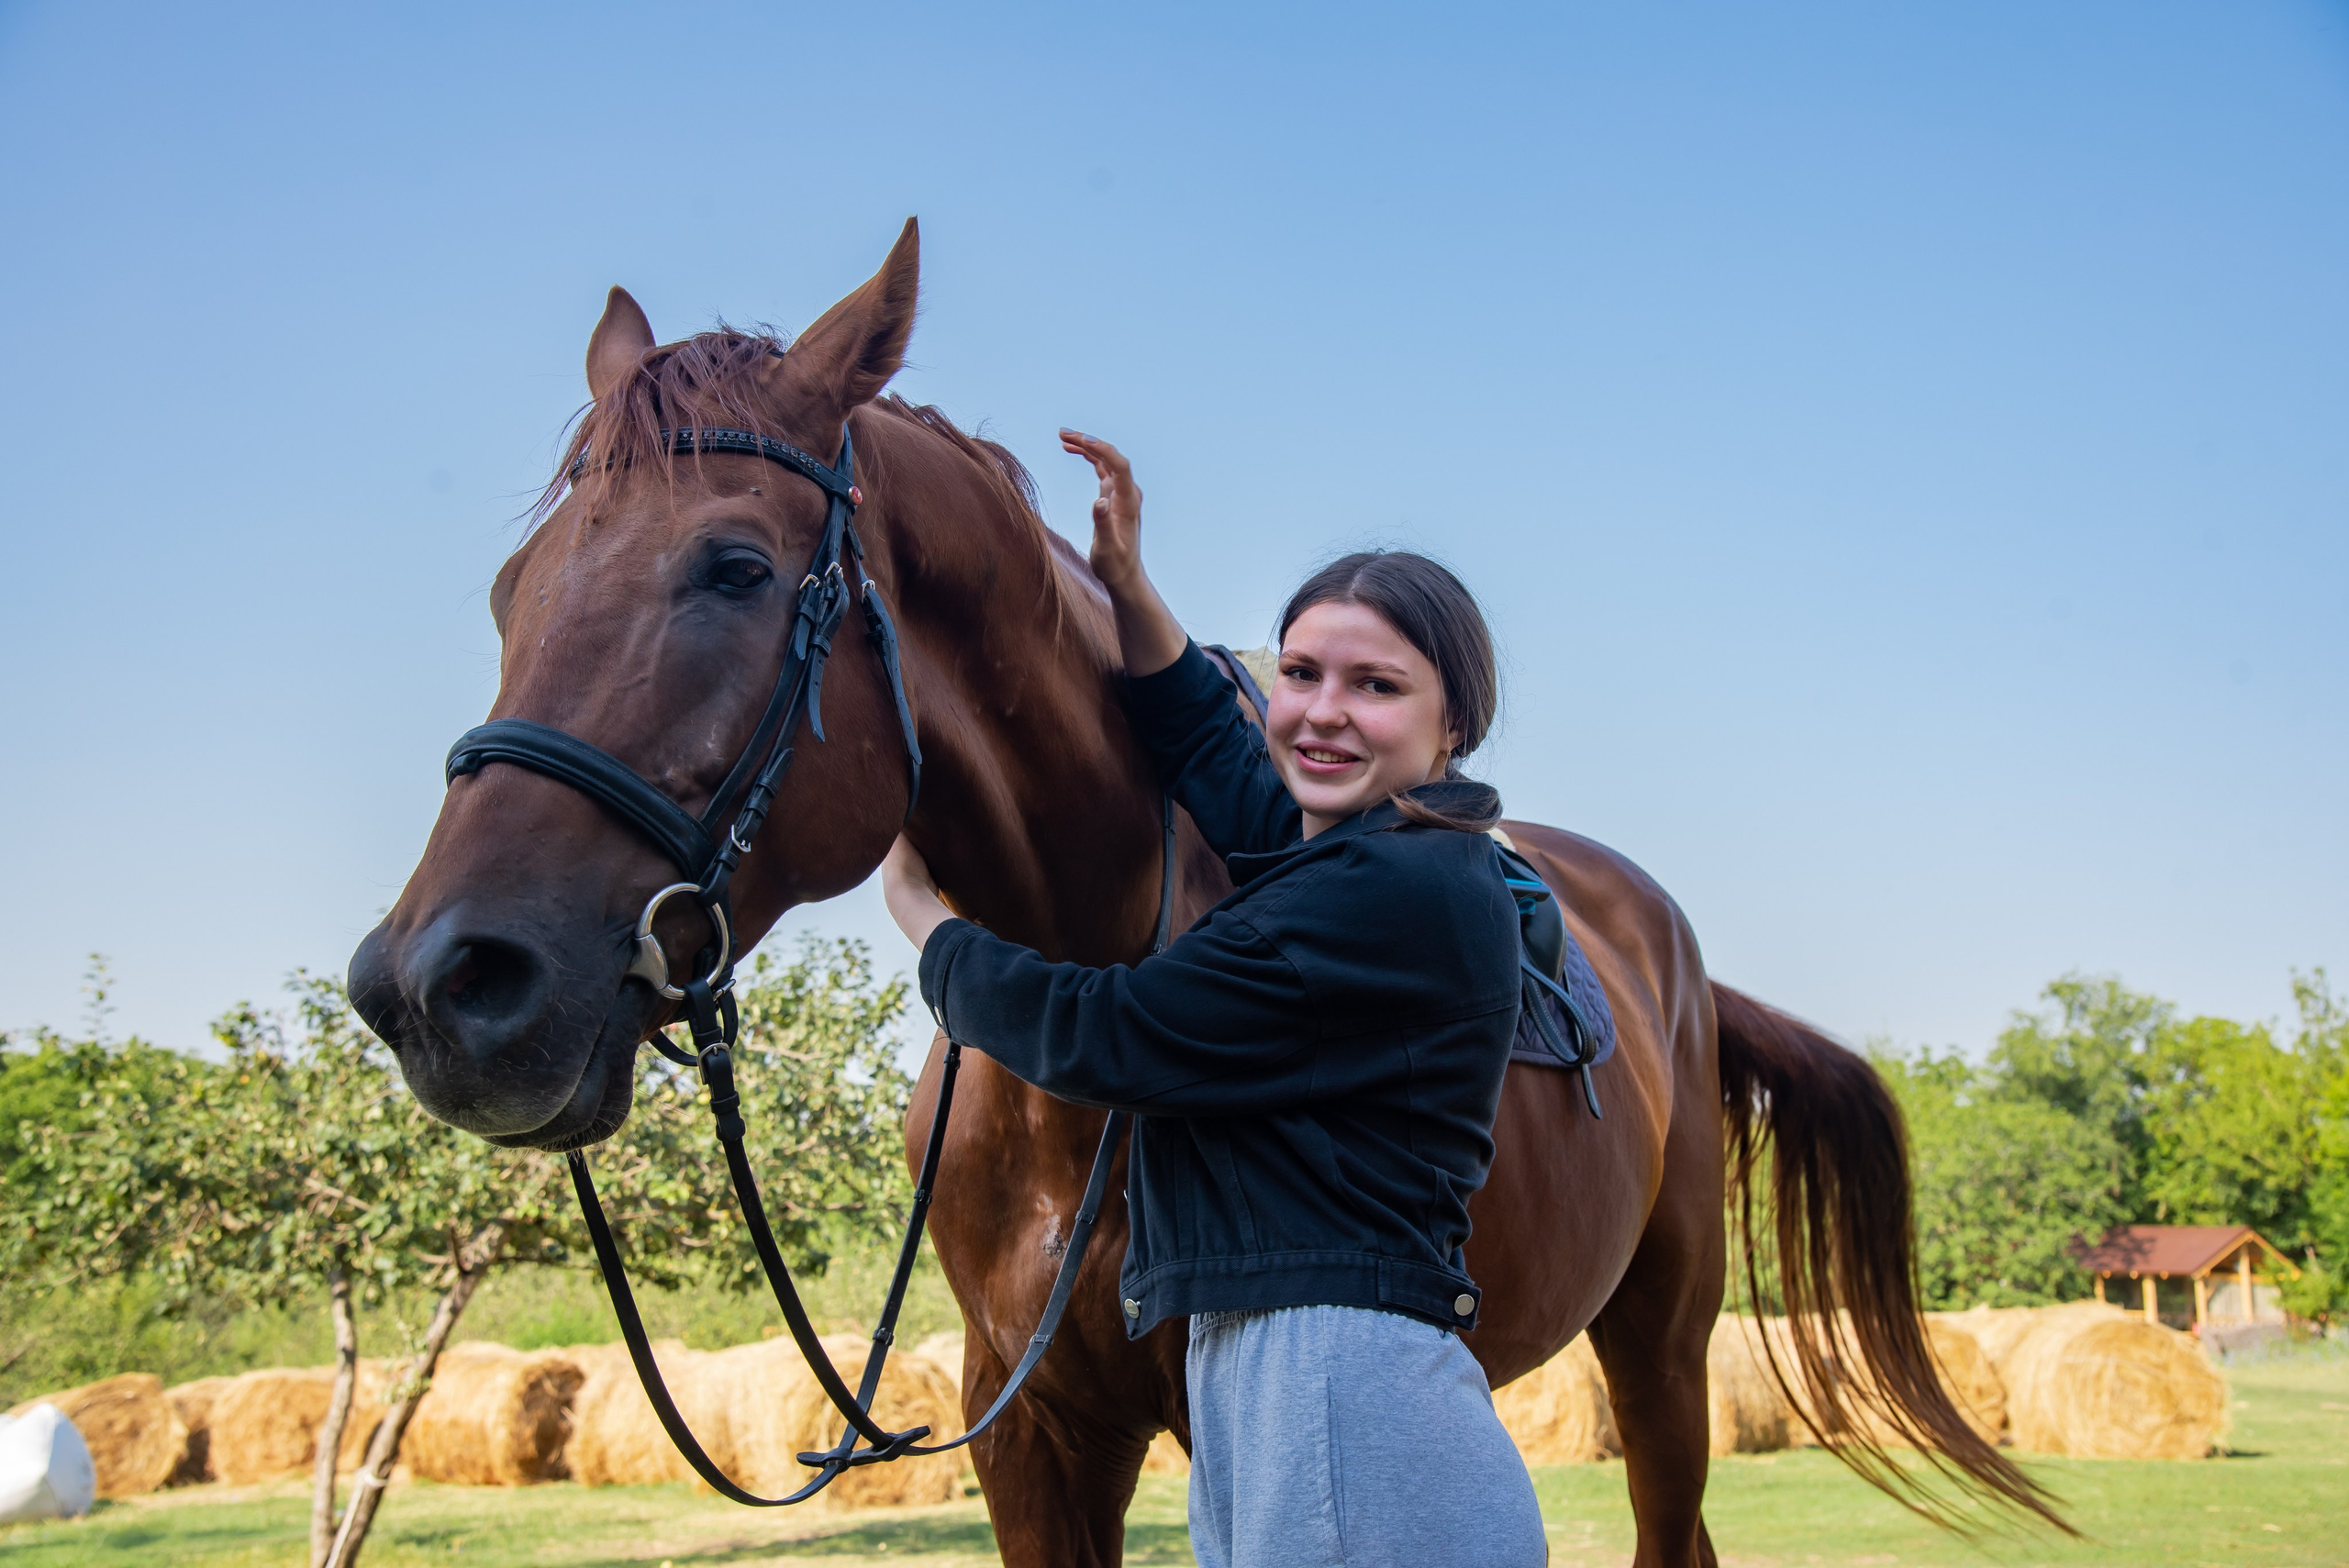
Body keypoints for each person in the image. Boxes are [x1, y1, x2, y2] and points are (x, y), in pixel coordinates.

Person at [880, 429, 1546, 1568]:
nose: (1321, 713)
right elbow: (1209, 740)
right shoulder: (1350, 854)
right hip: (1277, 1379)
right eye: (1299, 674)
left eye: (1375, 686)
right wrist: (1128, 586)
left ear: (1454, 725)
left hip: (1336, 1388)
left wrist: (924, 921)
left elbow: (1111, 1031)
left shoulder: (1390, 890)